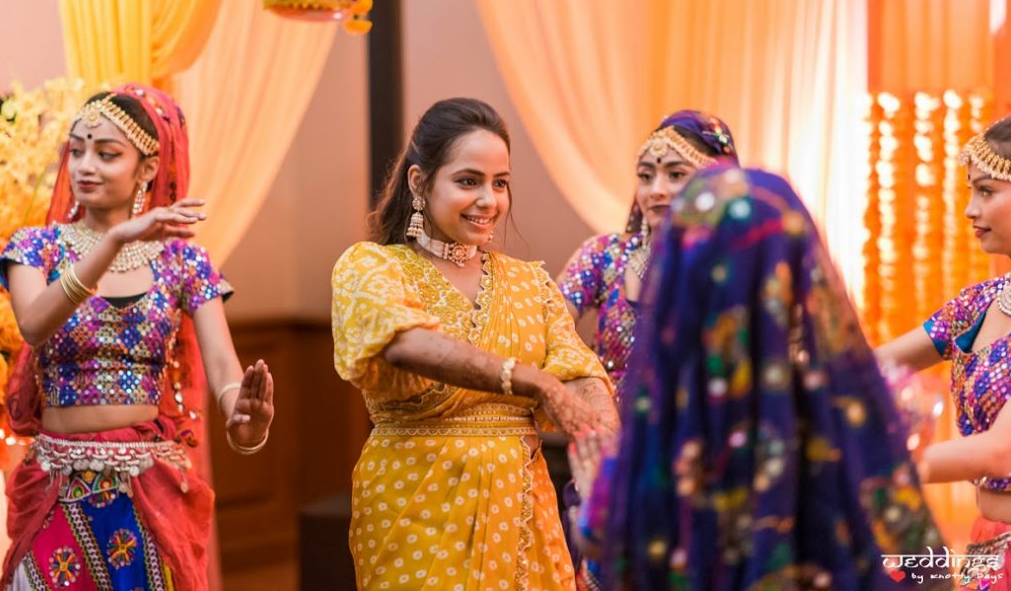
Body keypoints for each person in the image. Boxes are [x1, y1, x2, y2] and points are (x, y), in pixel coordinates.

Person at [572, 167, 947, 590]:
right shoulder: (854, 416)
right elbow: (927, 573)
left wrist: (595, 503)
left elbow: (616, 561)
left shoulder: (660, 428)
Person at [330, 97, 618, 589]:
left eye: (500, 183)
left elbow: (582, 372)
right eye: (469, 181)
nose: (490, 200)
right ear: (420, 182)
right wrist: (533, 382)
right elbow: (405, 343)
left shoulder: (530, 283)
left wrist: (603, 446)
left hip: (525, 512)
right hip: (415, 508)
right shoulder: (372, 267)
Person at [0, 84, 274, 590]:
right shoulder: (35, 247)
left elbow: (223, 369)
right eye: (76, 150)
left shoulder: (183, 260)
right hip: (57, 487)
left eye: (106, 154)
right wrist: (116, 240)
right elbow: (35, 323)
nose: (85, 165)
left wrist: (244, 419)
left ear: (146, 169)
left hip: (147, 493)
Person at [876, 116, 1011, 589]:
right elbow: (869, 369)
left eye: (987, 191)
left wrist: (876, 466)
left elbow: (1000, 452)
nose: (970, 210)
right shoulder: (979, 304)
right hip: (984, 546)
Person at [557, 110, 738, 391]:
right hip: (604, 428)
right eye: (645, 176)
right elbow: (546, 331)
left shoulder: (733, 269)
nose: (656, 190)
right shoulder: (605, 254)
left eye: (676, 174)